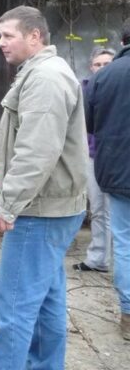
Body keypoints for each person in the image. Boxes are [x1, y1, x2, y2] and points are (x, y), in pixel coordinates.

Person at [0, 5, 88, 368]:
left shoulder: (44, 78)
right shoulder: (43, 72)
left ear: (34, 36)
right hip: (54, 207)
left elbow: (36, 152)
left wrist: (7, 204)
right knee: (46, 300)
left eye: (8, 35)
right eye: (0, 36)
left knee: (14, 304)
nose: (1, 43)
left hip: (38, 211)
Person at [86, 20, 130, 341]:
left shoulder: (103, 78)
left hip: (117, 172)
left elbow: (89, 122)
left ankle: (128, 314)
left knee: (125, 242)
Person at [73, 47, 115, 274]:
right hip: (91, 157)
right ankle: (98, 258)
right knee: (98, 209)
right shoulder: (84, 90)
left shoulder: (120, 88)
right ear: (91, 67)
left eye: (106, 64)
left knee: (114, 210)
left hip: (116, 157)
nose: (100, 68)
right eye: (97, 64)